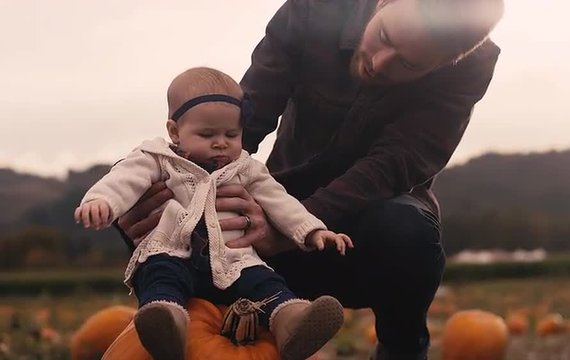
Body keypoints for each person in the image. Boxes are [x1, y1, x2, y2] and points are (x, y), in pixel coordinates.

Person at [117, 0, 504, 358]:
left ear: (443, 63)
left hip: (365, 229)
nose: (380, 62)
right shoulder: (315, 8)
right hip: (277, 202)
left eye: (408, 65)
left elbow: (393, 164)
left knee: (409, 230)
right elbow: (244, 119)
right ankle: (172, 317)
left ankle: (401, 348)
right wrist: (168, 180)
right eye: (384, 37)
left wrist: (293, 226)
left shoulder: (470, 64)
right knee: (157, 199)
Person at [75, 67, 353, 360]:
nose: (221, 142)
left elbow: (280, 202)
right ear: (174, 131)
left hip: (233, 258)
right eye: (207, 134)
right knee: (160, 277)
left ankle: (292, 322)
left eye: (231, 134)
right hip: (172, 251)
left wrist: (312, 230)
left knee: (265, 282)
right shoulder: (157, 159)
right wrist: (102, 201)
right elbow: (123, 180)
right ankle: (168, 324)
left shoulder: (246, 169)